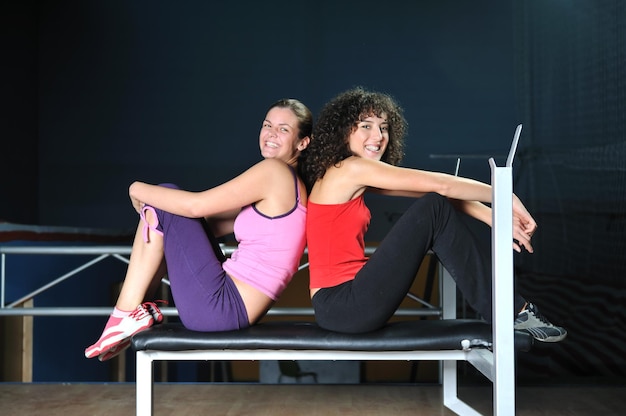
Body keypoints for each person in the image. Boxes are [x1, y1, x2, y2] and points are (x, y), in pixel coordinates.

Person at [299, 86, 566, 342]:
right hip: (344, 305)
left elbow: (440, 197)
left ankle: (511, 311)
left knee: (433, 206)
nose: (378, 136)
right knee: (432, 206)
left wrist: (494, 217)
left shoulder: (346, 174)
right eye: (366, 126)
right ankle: (513, 312)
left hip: (344, 305)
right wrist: (505, 195)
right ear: (344, 131)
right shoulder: (350, 168)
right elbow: (441, 186)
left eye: (384, 128)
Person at [85, 98, 313, 361]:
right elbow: (204, 225)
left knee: (167, 193)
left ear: (302, 142)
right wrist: (158, 213)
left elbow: (195, 206)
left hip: (221, 307)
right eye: (267, 125)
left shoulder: (275, 173)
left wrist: (135, 189)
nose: (271, 134)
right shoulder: (291, 187)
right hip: (228, 308)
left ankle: (124, 314)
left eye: (284, 129)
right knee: (165, 206)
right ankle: (132, 314)